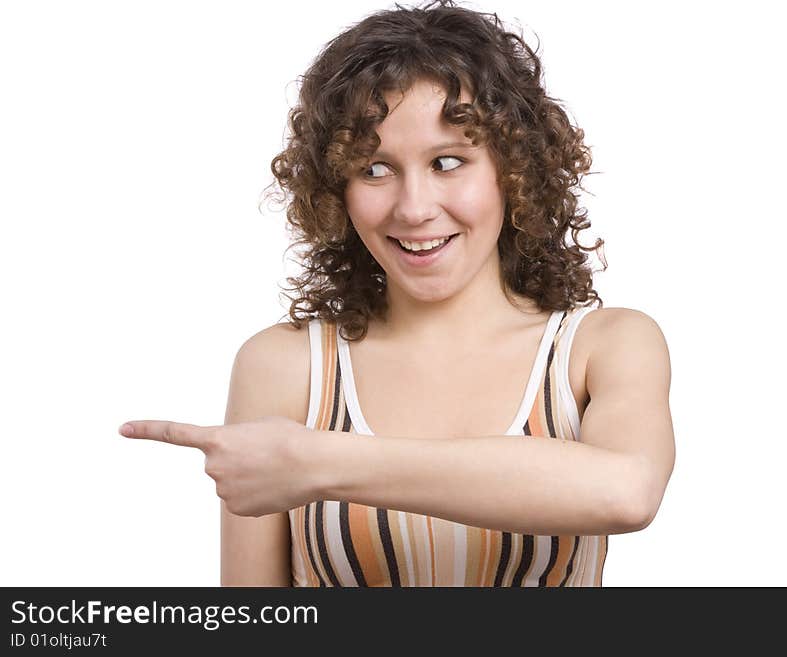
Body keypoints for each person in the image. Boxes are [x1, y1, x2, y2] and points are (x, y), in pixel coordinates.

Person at [119, 0, 674, 587]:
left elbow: (626, 491)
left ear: (514, 170)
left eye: (449, 161)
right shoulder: (285, 367)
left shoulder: (605, 346)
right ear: (335, 187)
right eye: (375, 170)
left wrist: (316, 462)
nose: (413, 208)